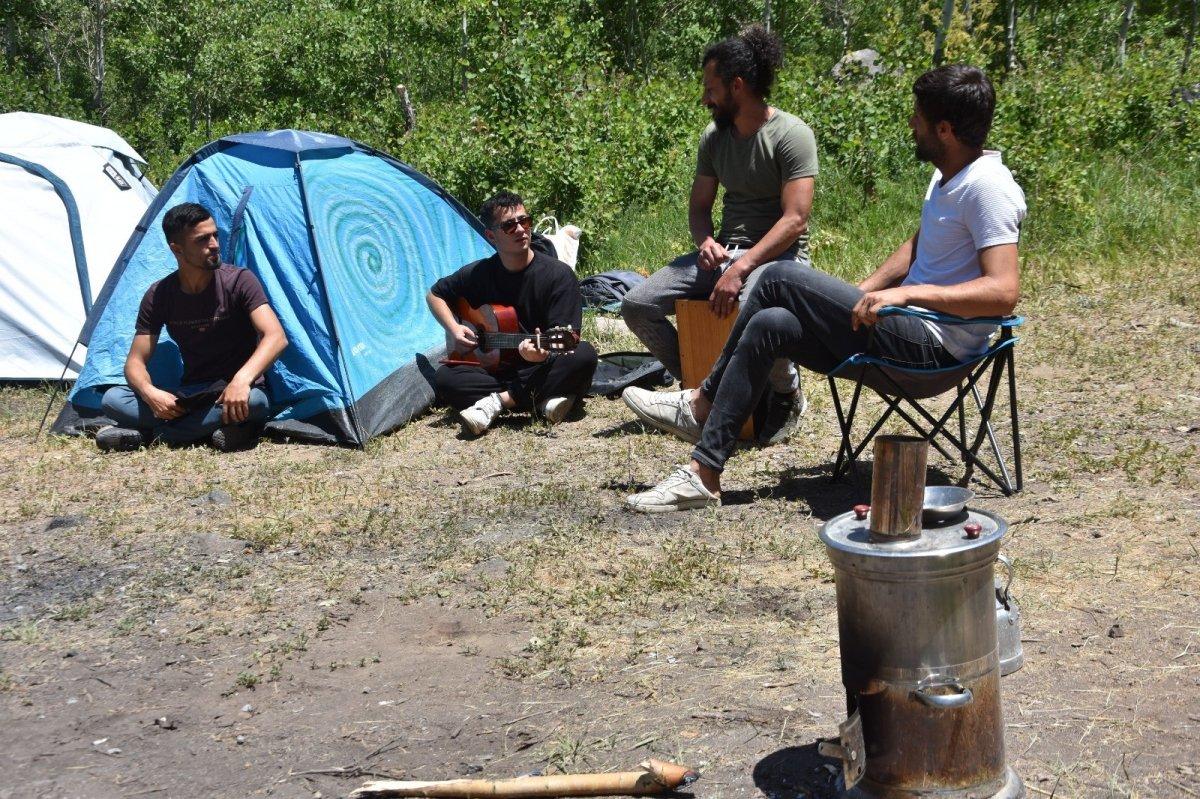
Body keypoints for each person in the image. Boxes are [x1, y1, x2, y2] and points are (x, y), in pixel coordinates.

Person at [624, 64, 1026, 512]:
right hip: (902, 327)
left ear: (945, 129)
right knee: (772, 324)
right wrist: (866, 290)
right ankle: (705, 474)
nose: (912, 124)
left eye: (918, 117)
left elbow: (1002, 291)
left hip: (934, 350)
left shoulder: (989, 188)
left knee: (777, 276)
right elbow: (921, 244)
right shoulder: (949, 176)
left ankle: (703, 401)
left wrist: (906, 295)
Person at [620, 23, 818, 445]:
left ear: (738, 86)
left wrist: (742, 267)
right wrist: (705, 243)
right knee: (637, 304)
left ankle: (786, 393)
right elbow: (699, 207)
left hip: (780, 259)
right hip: (726, 252)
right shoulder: (714, 139)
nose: (704, 98)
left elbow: (795, 220)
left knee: (756, 307)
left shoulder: (792, 135)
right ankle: (696, 382)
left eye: (711, 88)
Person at [95, 203, 288, 452]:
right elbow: (135, 362)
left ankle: (150, 436)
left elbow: (276, 336)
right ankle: (217, 429)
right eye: (203, 239)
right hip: (192, 394)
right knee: (113, 399)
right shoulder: (159, 294)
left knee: (256, 402)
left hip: (238, 389)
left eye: (215, 235)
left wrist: (242, 379)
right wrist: (150, 393)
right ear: (177, 249)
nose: (215, 244)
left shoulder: (239, 280)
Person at [428, 192, 597, 436]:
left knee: (583, 356)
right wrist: (454, 329)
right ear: (491, 236)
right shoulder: (479, 273)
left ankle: (498, 403)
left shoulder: (558, 276)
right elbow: (434, 295)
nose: (520, 229)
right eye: (509, 226)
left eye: (524, 221)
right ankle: (540, 400)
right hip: (498, 369)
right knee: (446, 378)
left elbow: (567, 338)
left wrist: (541, 354)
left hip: (541, 365)